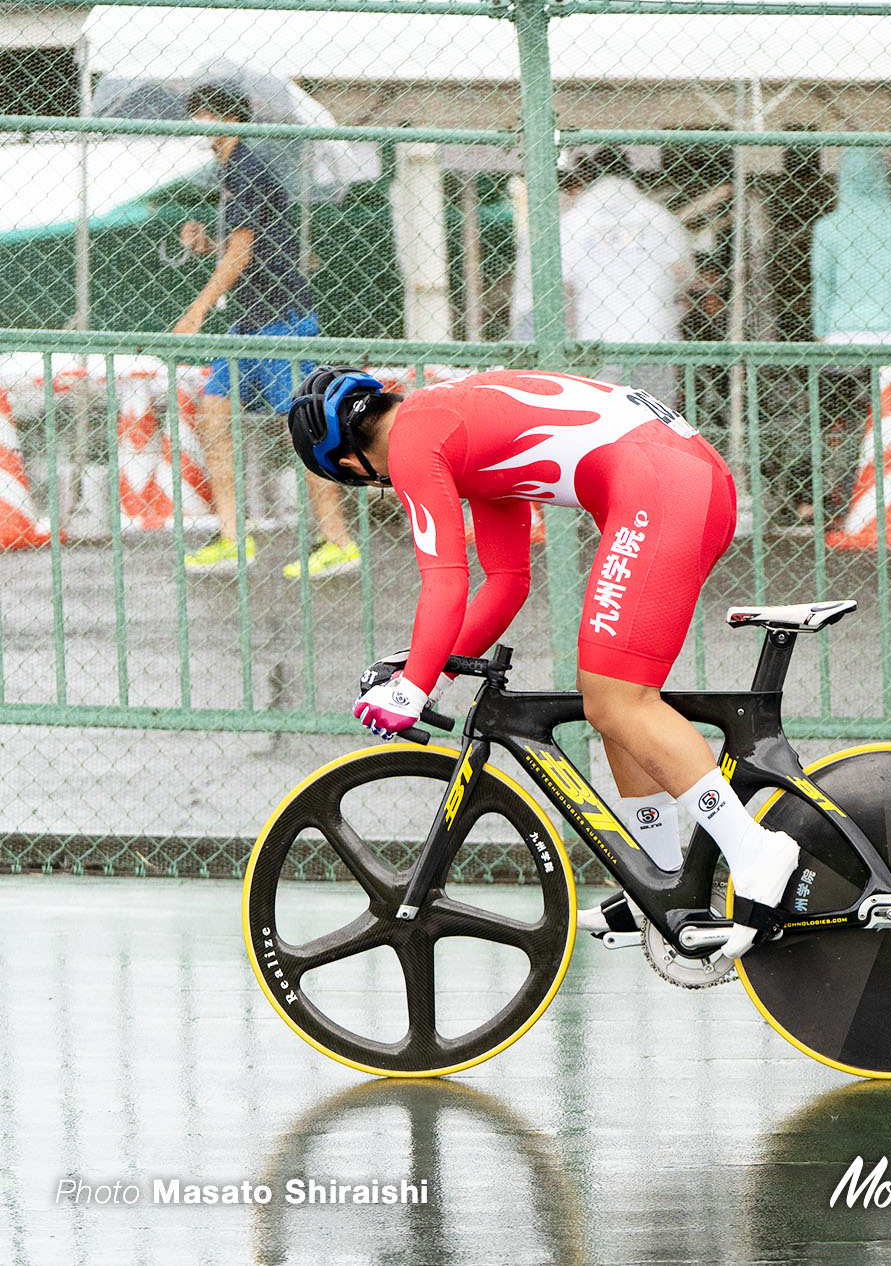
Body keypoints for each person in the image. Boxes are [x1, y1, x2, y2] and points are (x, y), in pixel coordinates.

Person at [286, 365, 800, 958]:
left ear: (350, 467)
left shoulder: (411, 446)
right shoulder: (451, 425)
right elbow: (505, 583)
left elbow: (446, 583)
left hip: (662, 487)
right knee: (611, 701)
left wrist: (409, 691)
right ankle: (661, 882)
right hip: (676, 479)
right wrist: (429, 670)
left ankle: (754, 850)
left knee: (616, 698)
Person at [173, 83, 359, 579]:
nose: (196, 125)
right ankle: (234, 537)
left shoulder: (248, 169)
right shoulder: (230, 174)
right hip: (248, 324)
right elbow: (243, 248)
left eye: (204, 114)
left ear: (230, 119)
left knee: (305, 430)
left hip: (283, 322)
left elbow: (243, 254)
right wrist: (206, 244)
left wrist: (195, 313)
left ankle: (338, 541)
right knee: (213, 413)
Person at [805, 148, 891, 520]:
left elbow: (822, 286)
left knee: (843, 418)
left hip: (841, 336)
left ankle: (840, 496)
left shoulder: (827, 227)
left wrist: (820, 335)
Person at [558, 147, 695, 402]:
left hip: (596, 339)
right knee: (655, 417)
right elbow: (682, 272)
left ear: (587, 177)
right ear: (630, 174)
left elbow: (563, 286)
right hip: (654, 334)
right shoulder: (657, 217)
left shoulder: (573, 222)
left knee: (602, 418)